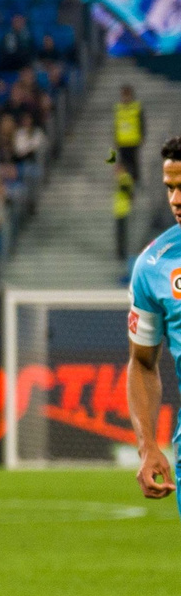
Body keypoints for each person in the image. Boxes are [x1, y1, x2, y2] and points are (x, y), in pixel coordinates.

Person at [125, 135, 181, 505]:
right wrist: (147, 446)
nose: (176, 200)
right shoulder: (154, 265)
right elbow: (142, 363)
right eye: (170, 188)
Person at [115, 84, 146, 189]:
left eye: (127, 95)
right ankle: (124, 182)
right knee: (123, 162)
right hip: (122, 140)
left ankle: (135, 181)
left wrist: (142, 136)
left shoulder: (136, 107)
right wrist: (115, 138)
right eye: (123, 95)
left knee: (134, 162)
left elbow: (142, 123)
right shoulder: (118, 108)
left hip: (133, 139)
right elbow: (116, 124)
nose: (125, 97)